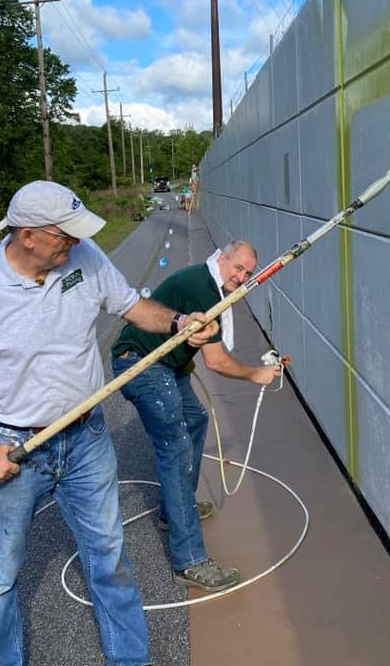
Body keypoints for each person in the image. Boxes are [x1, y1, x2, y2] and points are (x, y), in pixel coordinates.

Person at [0, 180, 217, 666]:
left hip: (87, 438)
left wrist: (181, 323)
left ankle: (130, 660)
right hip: (17, 447)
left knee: (110, 558)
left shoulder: (86, 257)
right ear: (27, 236)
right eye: (64, 235)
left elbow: (135, 308)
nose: (75, 242)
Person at [111, 241, 280, 592]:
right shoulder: (203, 289)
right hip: (140, 364)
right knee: (176, 449)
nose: (242, 277)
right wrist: (255, 374)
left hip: (164, 364)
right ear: (221, 259)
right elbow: (216, 362)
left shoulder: (209, 284)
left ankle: (176, 507)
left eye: (248, 273)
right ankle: (189, 561)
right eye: (238, 268)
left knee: (196, 418)